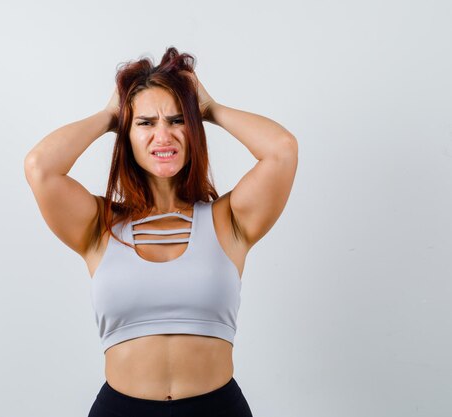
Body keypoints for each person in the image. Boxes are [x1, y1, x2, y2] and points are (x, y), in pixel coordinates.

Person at [24, 46, 298, 417]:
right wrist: (110, 114)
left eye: (176, 120)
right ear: (127, 133)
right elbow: (40, 167)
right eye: (146, 123)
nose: (163, 135)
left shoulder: (229, 219)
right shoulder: (99, 225)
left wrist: (210, 108)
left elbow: (282, 150)